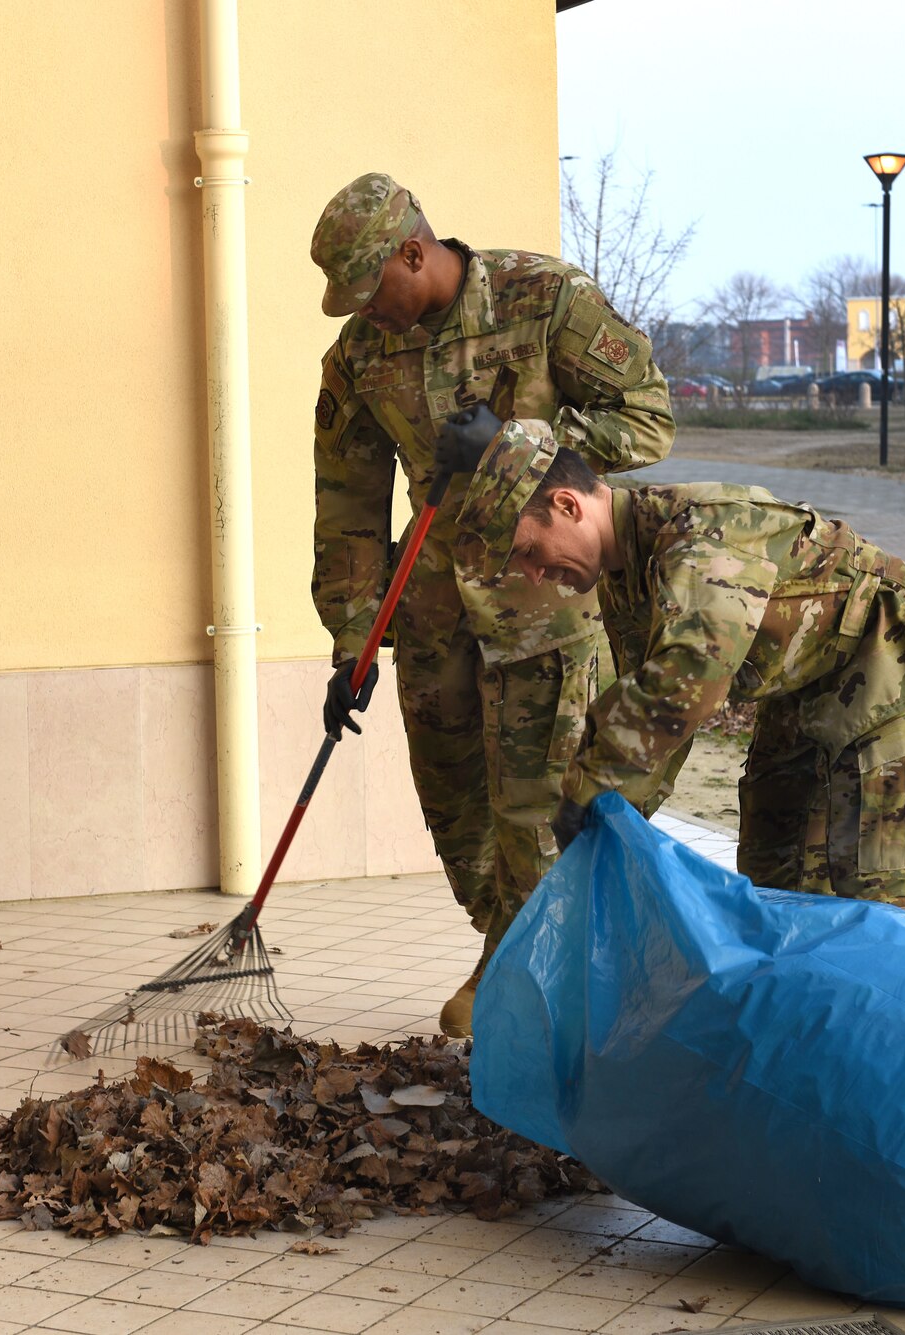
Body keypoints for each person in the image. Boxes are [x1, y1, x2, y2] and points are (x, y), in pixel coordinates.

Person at [307, 173, 674, 1034]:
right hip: (432, 617)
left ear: (413, 252)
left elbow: (648, 418)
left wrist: (515, 446)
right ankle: (510, 945)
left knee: (536, 807)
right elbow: (347, 503)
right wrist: (352, 642)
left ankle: (535, 986)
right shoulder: (360, 357)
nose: (368, 312)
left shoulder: (543, 299)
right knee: (456, 807)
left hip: (542, 606)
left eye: (373, 290)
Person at [443, 411, 905, 924]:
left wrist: (589, 793)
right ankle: (802, 1010)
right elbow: (646, 716)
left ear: (567, 505)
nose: (535, 576)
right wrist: (604, 827)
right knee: (775, 875)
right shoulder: (624, 572)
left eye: (530, 551)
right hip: (800, 691)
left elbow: (689, 675)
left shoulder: (699, 537)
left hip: (894, 675)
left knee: (892, 906)